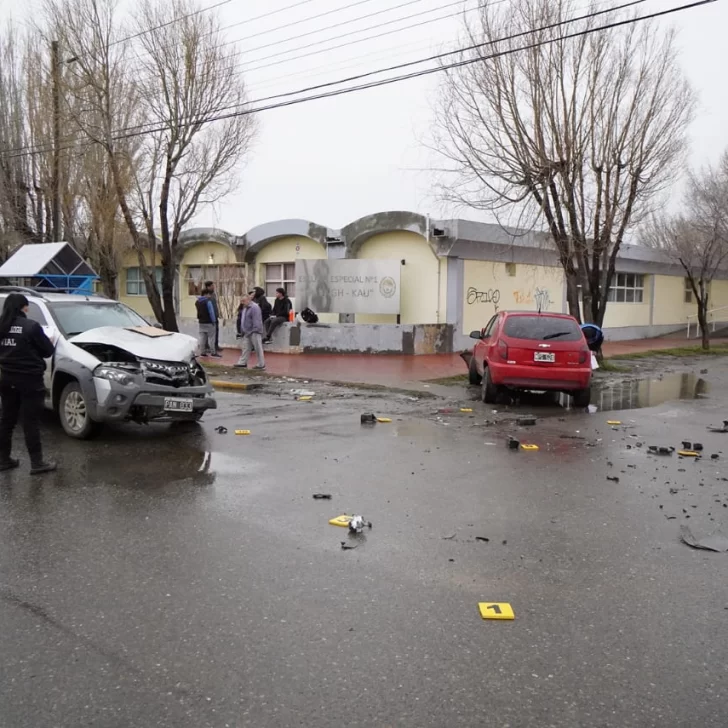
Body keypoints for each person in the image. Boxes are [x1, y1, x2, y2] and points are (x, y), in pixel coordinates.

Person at [0, 293, 57, 474]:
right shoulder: (31, 326)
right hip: (30, 381)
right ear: (22, 307)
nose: (28, 309)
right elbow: (48, 352)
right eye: (27, 306)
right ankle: (37, 463)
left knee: (6, 421)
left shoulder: (1, 326)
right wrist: (48, 342)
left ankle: (3, 460)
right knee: (30, 421)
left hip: (7, 379)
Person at [235, 293, 265, 369]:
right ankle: (242, 362)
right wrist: (242, 331)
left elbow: (257, 320)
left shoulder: (255, 307)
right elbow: (243, 320)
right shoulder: (245, 308)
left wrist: (255, 330)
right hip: (247, 332)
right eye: (241, 301)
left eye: (244, 301)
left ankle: (261, 364)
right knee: (245, 348)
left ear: (249, 300)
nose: (242, 303)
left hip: (254, 331)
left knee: (258, 348)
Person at [196, 289, 218, 357]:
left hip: (201, 322)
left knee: (202, 338)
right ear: (205, 294)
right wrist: (214, 321)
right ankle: (213, 352)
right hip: (209, 322)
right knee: (211, 338)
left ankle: (202, 352)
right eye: (209, 294)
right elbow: (211, 312)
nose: (210, 296)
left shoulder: (197, 302)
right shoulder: (208, 302)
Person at [204, 281, 222, 357]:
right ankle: (208, 347)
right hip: (210, 318)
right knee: (209, 333)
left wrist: (218, 313)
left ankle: (216, 345)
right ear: (208, 287)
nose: (213, 287)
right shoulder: (206, 296)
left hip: (215, 316)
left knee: (216, 331)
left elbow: (215, 306)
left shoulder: (213, 295)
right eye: (212, 286)